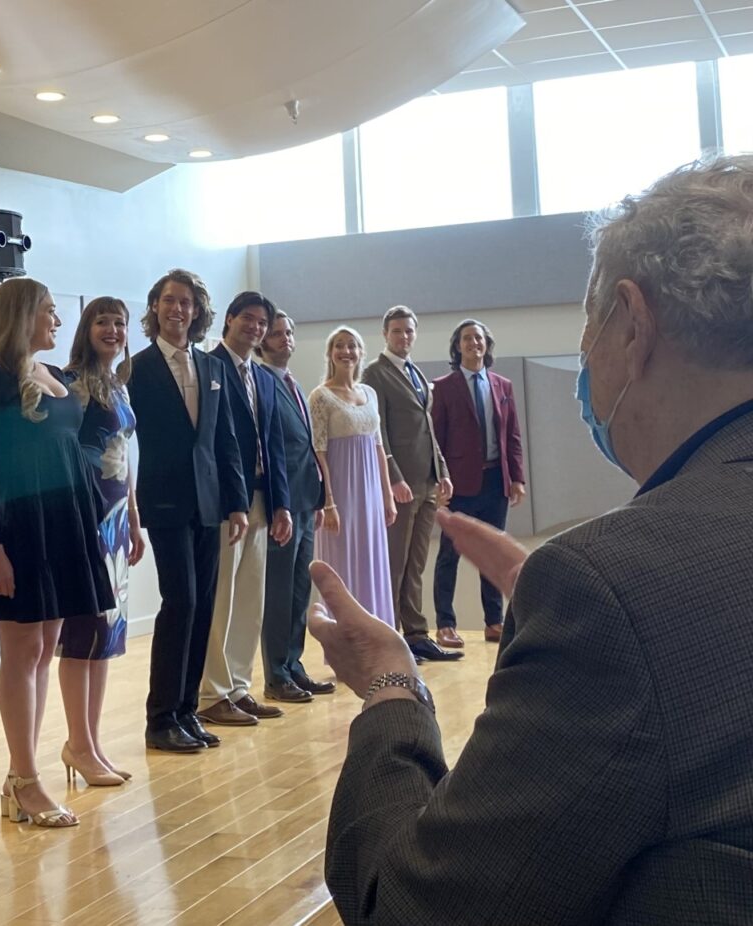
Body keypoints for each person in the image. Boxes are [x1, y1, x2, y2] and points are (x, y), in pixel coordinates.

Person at [310, 154, 753, 925]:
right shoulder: (616, 589)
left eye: (587, 331)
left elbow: (410, 910)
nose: (584, 360)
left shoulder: (615, 591)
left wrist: (391, 685)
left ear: (631, 323)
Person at [0, 278, 114, 826]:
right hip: (19, 531)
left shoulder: (57, 377)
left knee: (45, 649)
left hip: (64, 527)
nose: (57, 321)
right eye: (49, 312)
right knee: (22, 652)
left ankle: (22, 773)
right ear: (23, 317)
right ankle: (25, 779)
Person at [128, 269, 249, 753]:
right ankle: (160, 720)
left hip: (210, 503)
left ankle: (186, 711)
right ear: (155, 307)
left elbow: (226, 441)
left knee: (203, 608)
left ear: (198, 312)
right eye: (169, 301)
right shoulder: (135, 369)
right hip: (162, 501)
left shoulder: (213, 368)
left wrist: (238, 502)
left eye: (187, 303)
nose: (178, 309)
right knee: (180, 603)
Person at [58, 296, 145, 784]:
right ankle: (78, 742)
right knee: (82, 634)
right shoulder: (71, 384)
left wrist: (133, 517)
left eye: (120, 322)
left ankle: (89, 742)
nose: (112, 329)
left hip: (115, 521)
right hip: (84, 518)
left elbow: (124, 459)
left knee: (107, 637)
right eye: (102, 321)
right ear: (85, 329)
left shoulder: (120, 387)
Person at [197, 292, 292, 725]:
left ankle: (238, 685)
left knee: (251, 597)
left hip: (261, 499)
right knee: (223, 598)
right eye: (247, 319)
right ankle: (212, 693)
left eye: (261, 323)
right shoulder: (208, 368)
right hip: (225, 502)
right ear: (229, 320)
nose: (254, 328)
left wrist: (282, 505)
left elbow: (275, 448)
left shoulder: (265, 378)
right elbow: (216, 443)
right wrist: (234, 501)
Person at [361, 305, 459, 664]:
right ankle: (391, 639)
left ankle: (417, 635)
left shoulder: (416, 372)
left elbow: (428, 430)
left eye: (409, 331)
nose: (404, 337)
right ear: (385, 333)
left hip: (428, 483)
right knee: (395, 565)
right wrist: (394, 480)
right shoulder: (375, 373)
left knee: (416, 564)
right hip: (401, 486)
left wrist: (443, 470)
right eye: (398, 331)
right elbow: (378, 432)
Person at [430, 319, 525, 647]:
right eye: (467, 339)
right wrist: (438, 479)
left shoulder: (503, 386)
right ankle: (445, 623)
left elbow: (512, 435)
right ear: (458, 347)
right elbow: (436, 438)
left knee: (492, 551)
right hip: (458, 483)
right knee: (449, 555)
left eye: (479, 338)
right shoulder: (443, 386)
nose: (474, 343)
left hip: (496, 480)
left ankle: (494, 621)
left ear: (487, 344)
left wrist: (517, 478)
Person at [255, 311, 333, 699]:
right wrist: (279, 504)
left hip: (306, 499)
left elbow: (304, 446)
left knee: (301, 589)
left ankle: (294, 663)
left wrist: (319, 497)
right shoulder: (262, 380)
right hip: (282, 503)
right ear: (261, 341)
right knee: (280, 590)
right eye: (276, 334)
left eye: (290, 332)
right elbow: (272, 451)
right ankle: (276, 675)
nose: (285, 339)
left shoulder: (293, 382)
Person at [308, 326, 396, 626]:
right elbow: (318, 452)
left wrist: (387, 496)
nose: (346, 351)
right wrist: (328, 503)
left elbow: (379, 448)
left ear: (360, 353)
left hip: (370, 495)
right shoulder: (320, 397)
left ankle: (378, 638)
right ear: (330, 354)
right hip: (341, 494)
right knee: (342, 565)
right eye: (339, 346)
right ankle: (347, 643)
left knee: (371, 562)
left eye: (352, 346)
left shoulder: (369, 393)